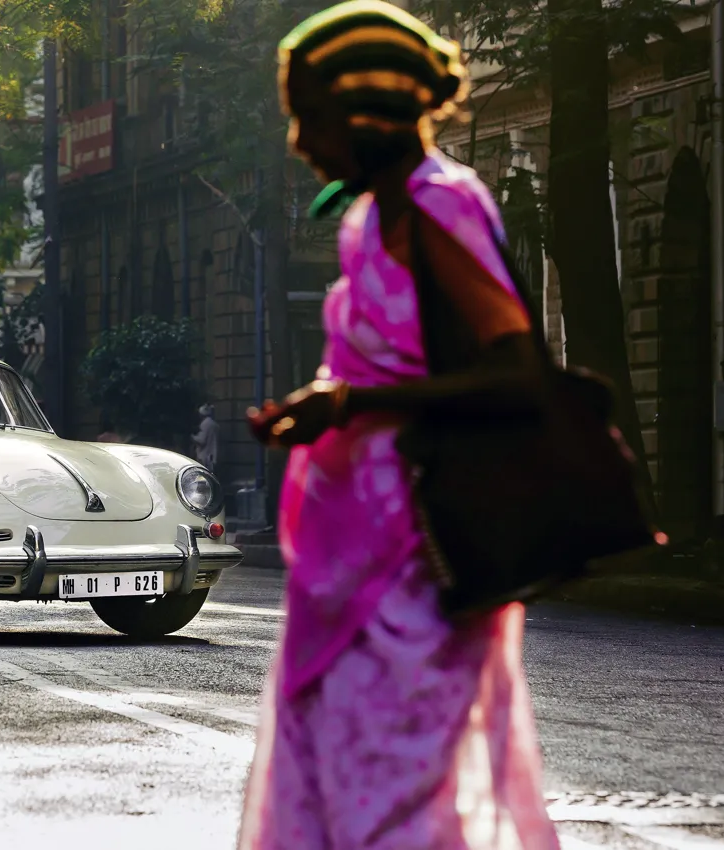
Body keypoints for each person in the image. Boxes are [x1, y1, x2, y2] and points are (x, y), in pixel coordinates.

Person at [237, 3, 559, 848]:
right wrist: (320, 403)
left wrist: (350, 405)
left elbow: (516, 370)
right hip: (344, 560)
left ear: (362, 113)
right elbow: (376, 361)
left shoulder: (439, 206)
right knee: (337, 782)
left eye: (307, 117)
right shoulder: (366, 218)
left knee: (395, 795)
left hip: (418, 559)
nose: (299, 141)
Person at [191, 404, 219, 470]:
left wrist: (192, 437)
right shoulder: (214, 424)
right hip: (212, 456)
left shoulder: (205, 424)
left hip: (204, 457)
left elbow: (201, 440)